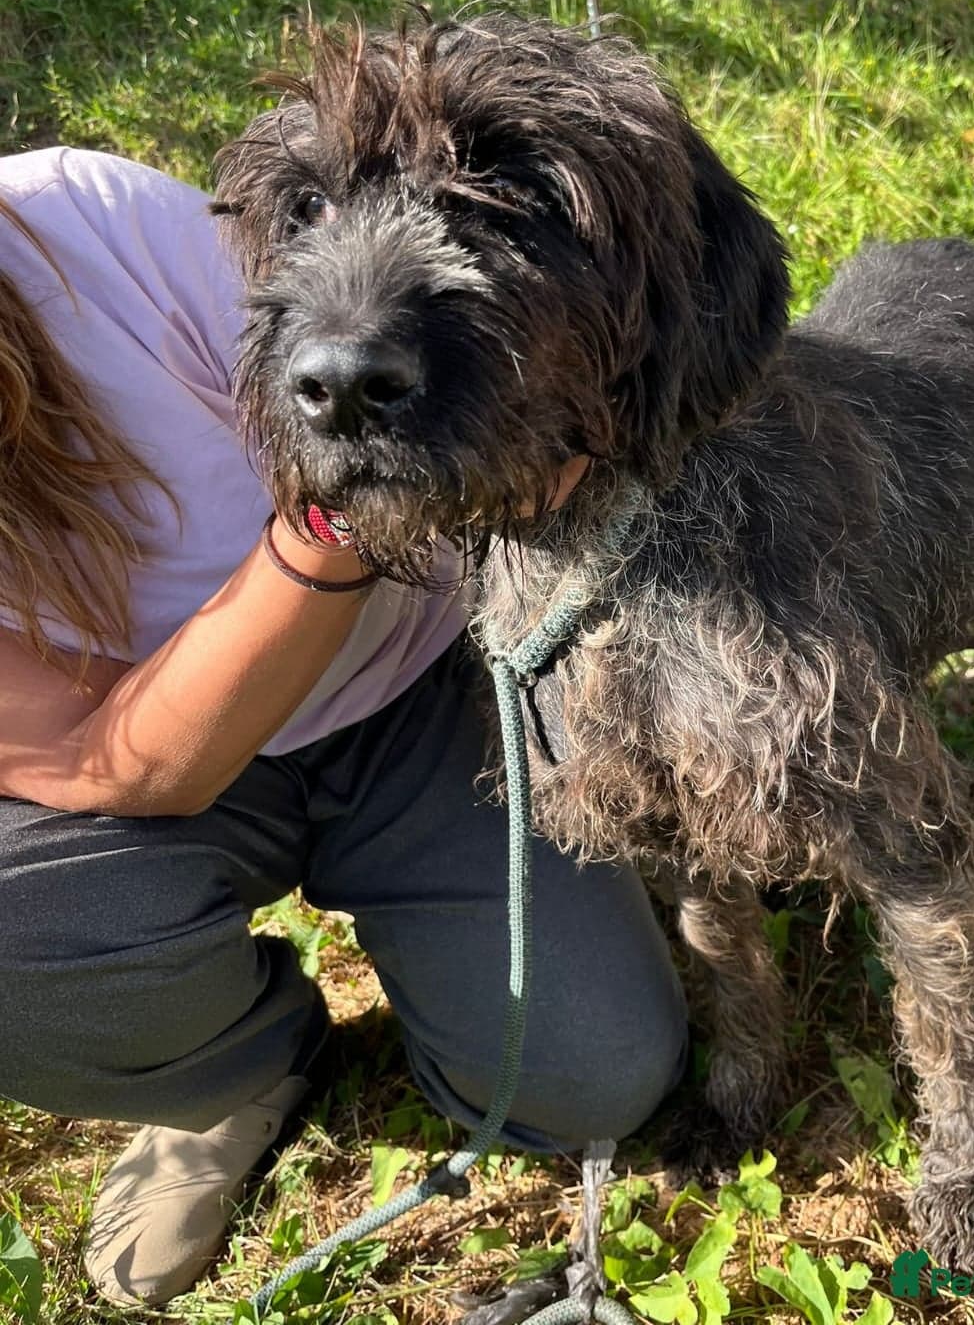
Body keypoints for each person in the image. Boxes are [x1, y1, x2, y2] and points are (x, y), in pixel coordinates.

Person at [0, 146, 687, 1306]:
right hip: (161, 787)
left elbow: (357, 336)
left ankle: (474, 920)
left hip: (418, 683)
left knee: (591, 1072)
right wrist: (338, 524)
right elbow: (109, 758)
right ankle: (234, 1070)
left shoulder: (81, 222)